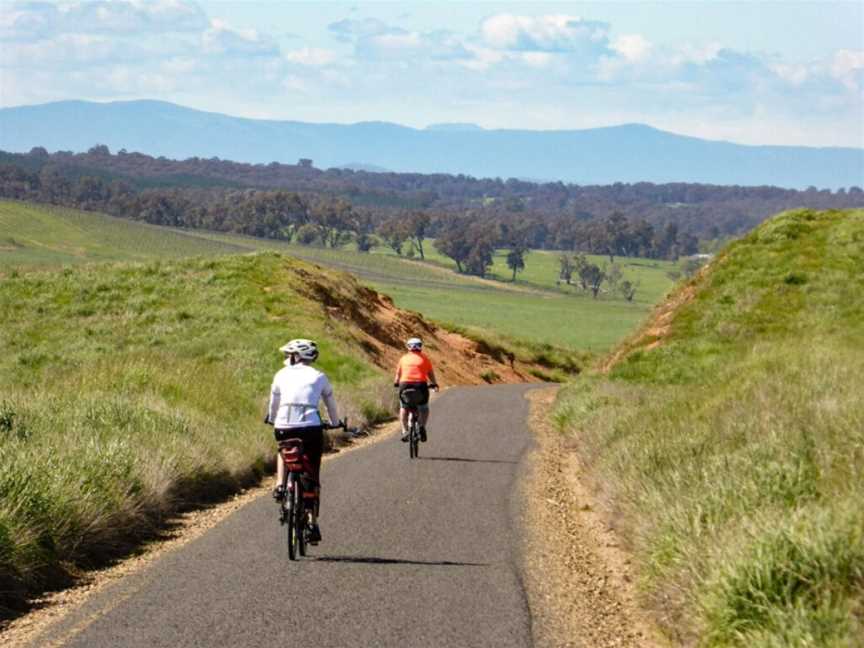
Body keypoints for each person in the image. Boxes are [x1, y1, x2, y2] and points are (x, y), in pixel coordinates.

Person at [267, 338, 339, 545]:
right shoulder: (319, 376)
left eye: (288, 355)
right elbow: (330, 403)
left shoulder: (280, 374)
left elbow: (274, 402)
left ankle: (280, 485)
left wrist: (272, 419)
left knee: (283, 450)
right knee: (312, 468)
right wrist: (335, 423)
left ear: (295, 356)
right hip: (310, 427)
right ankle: (312, 521)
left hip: (282, 426)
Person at [394, 337, 438, 442]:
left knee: (404, 408)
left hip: (405, 385)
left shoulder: (403, 359)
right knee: (424, 408)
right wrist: (434, 384)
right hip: (420, 386)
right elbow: (430, 374)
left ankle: (404, 431)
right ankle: (422, 426)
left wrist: (396, 383)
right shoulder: (425, 359)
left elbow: (398, 374)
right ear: (420, 347)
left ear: (408, 347)